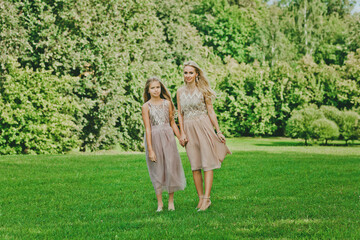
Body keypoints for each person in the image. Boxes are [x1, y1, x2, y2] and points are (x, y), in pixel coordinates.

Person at [177, 61, 231, 211]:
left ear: (196, 74)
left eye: (190, 72)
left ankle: (207, 199)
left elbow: (210, 111)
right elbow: (180, 115)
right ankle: (200, 198)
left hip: (203, 126)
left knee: (207, 163)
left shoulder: (203, 90)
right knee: (195, 166)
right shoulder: (179, 91)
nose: (187, 75)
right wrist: (182, 133)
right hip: (188, 128)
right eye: (185, 72)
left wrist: (218, 130)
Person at [142, 77, 186, 212]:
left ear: (161, 88)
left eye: (158, 87)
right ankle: (160, 203)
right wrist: (150, 149)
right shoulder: (146, 106)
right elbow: (148, 128)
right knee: (157, 170)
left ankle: (171, 201)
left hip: (168, 138)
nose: (156, 90)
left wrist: (180, 137)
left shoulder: (167, 104)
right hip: (154, 139)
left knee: (170, 168)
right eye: (153, 88)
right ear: (148, 91)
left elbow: (172, 122)